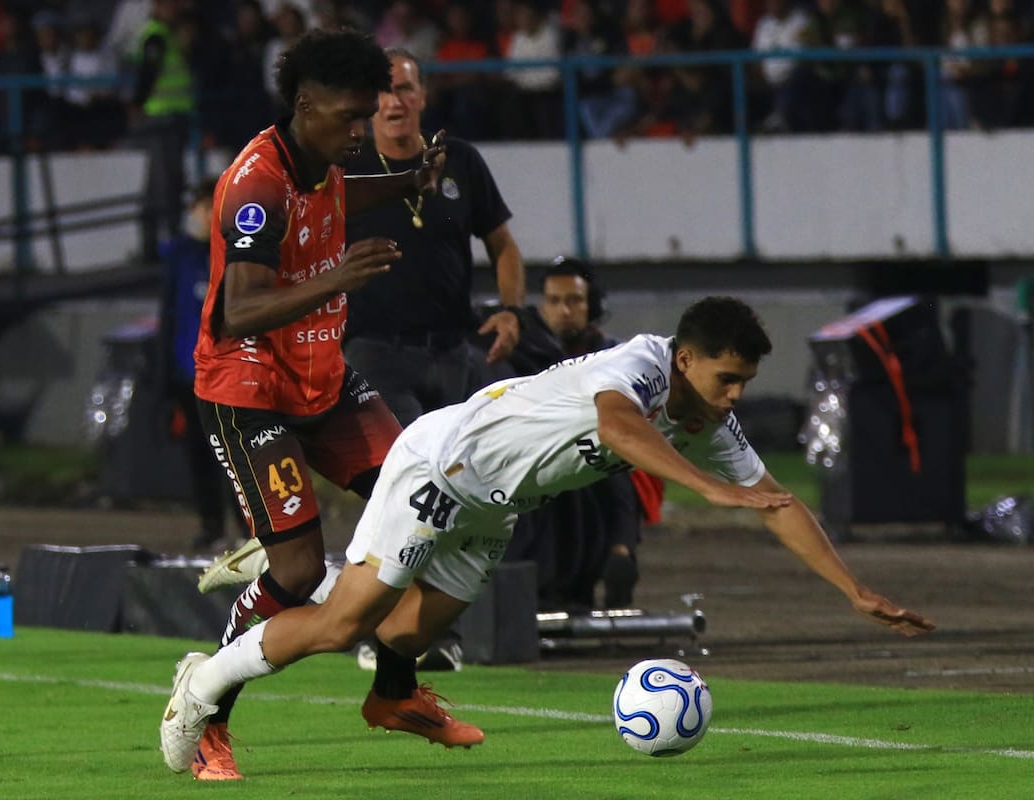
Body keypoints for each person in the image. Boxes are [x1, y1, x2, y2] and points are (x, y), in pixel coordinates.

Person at [161, 296, 936, 770]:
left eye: (745, 385)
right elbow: (618, 425)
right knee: (342, 628)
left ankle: (389, 698)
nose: (732, 397)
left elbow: (779, 503)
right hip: (442, 464)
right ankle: (202, 686)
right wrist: (704, 488)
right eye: (725, 379)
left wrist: (857, 591)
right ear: (687, 356)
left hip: (496, 504)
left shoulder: (709, 419)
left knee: (409, 631)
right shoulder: (639, 366)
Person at [174, 29, 478, 783]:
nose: (359, 132)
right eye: (348, 118)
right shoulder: (255, 183)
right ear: (304, 105)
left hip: (322, 375)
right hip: (248, 388)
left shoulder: (324, 164)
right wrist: (338, 277)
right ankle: (208, 708)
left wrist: (400, 186)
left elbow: (341, 193)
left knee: (431, 503)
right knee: (299, 569)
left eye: (365, 115)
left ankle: (396, 694)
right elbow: (239, 311)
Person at [343, 47, 525, 428]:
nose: (395, 101)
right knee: (414, 465)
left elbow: (502, 244)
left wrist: (512, 311)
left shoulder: (460, 159)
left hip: (452, 350)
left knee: (463, 470)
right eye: (383, 90)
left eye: (406, 89)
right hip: (375, 351)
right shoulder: (346, 168)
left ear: (423, 96)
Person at [503, 256, 647, 611]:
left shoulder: (614, 357)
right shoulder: (521, 354)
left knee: (618, 462)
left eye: (574, 301)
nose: (564, 310)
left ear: (592, 304)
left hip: (599, 458)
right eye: (554, 301)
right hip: (538, 461)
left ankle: (618, 554)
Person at [160, 178, 250, 552]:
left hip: (228, 375)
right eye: (198, 207)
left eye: (208, 206)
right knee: (200, 456)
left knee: (238, 456)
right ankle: (212, 528)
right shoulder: (179, 256)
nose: (201, 215)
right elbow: (169, 315)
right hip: (189, 375)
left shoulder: (237, 254)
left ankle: (249, 531)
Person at [130, 0, 194, 261]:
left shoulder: (166, 34)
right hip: (161, 118)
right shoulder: (156, 34)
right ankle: (163, 247)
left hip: (171, 118)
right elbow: (149, 71)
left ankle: (154, 246)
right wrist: (138, 104)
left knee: (161, 183)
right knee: (165, 184)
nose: (174, 9)